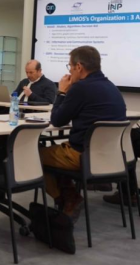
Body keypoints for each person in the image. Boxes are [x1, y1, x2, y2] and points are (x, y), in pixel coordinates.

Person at [41, 46, 126, 222]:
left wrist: (61, 91)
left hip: (81, 156)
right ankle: (68, 197)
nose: (70, 71)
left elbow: (57, 120)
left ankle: (68, 199)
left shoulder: (80, 88)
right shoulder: (112, 87)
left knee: (34, 156)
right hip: (110, 157)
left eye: (70, 67)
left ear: (79, 67)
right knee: (56, 152)